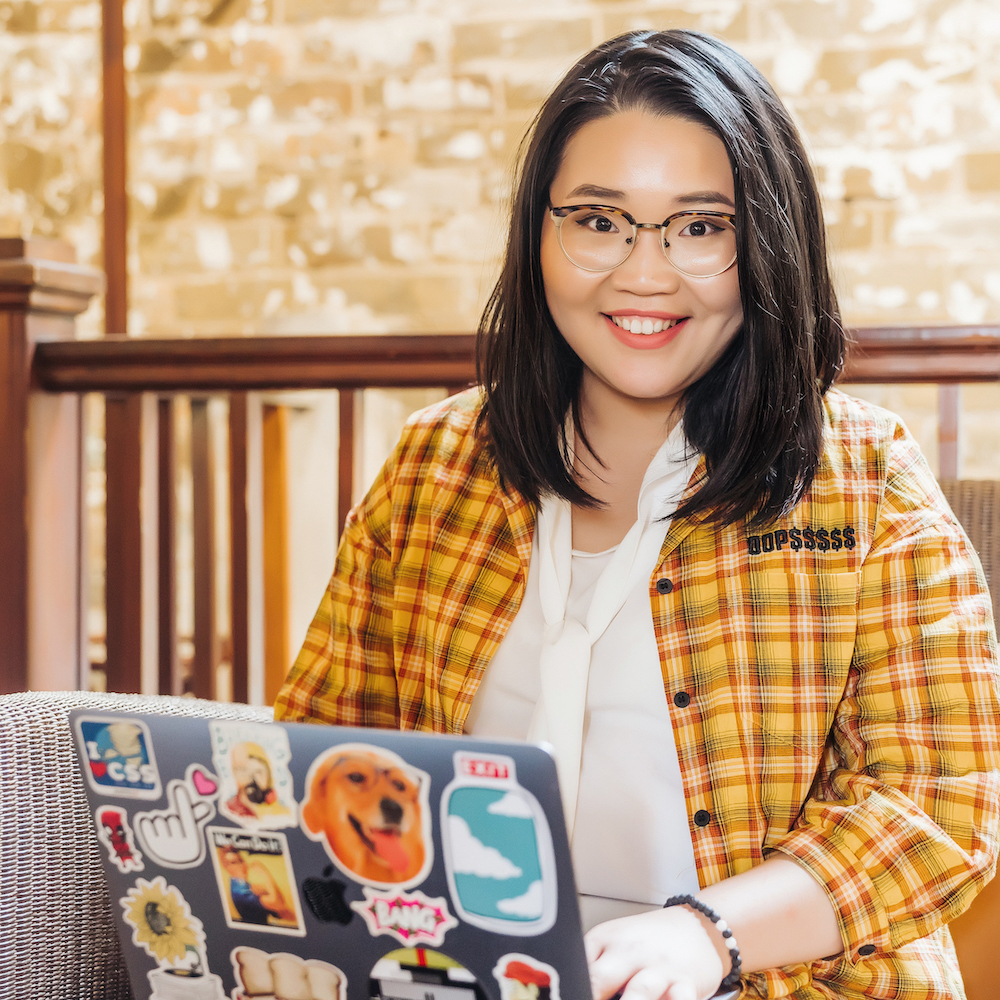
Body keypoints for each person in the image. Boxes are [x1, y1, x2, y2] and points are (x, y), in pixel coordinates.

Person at [275, 29, 1000, 1000]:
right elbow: (323, 753)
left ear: (765, 245)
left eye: (699, 227)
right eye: (599, 220)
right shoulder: (430, 469)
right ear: (539, 232)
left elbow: (942, 805)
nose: (644, 273)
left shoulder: (864, 476)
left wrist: (709, 934)